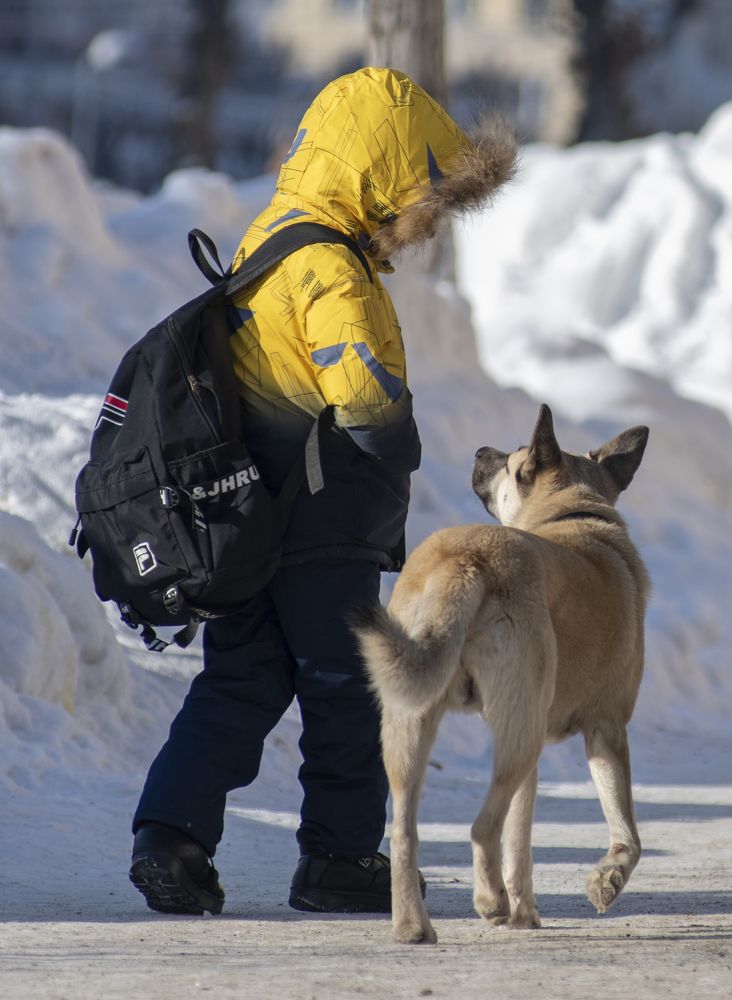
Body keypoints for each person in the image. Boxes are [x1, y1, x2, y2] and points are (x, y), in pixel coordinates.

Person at [129, 66, 517, 916]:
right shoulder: (331, 268)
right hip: (323, 522)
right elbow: (369, 402)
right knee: (349, 685)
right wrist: (401, 438)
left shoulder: (270, 237)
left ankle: (170, 837)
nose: (420, 224)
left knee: (240, 680)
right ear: (383, 174)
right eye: (423, 197)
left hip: (252, 518)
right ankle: (339, 857)